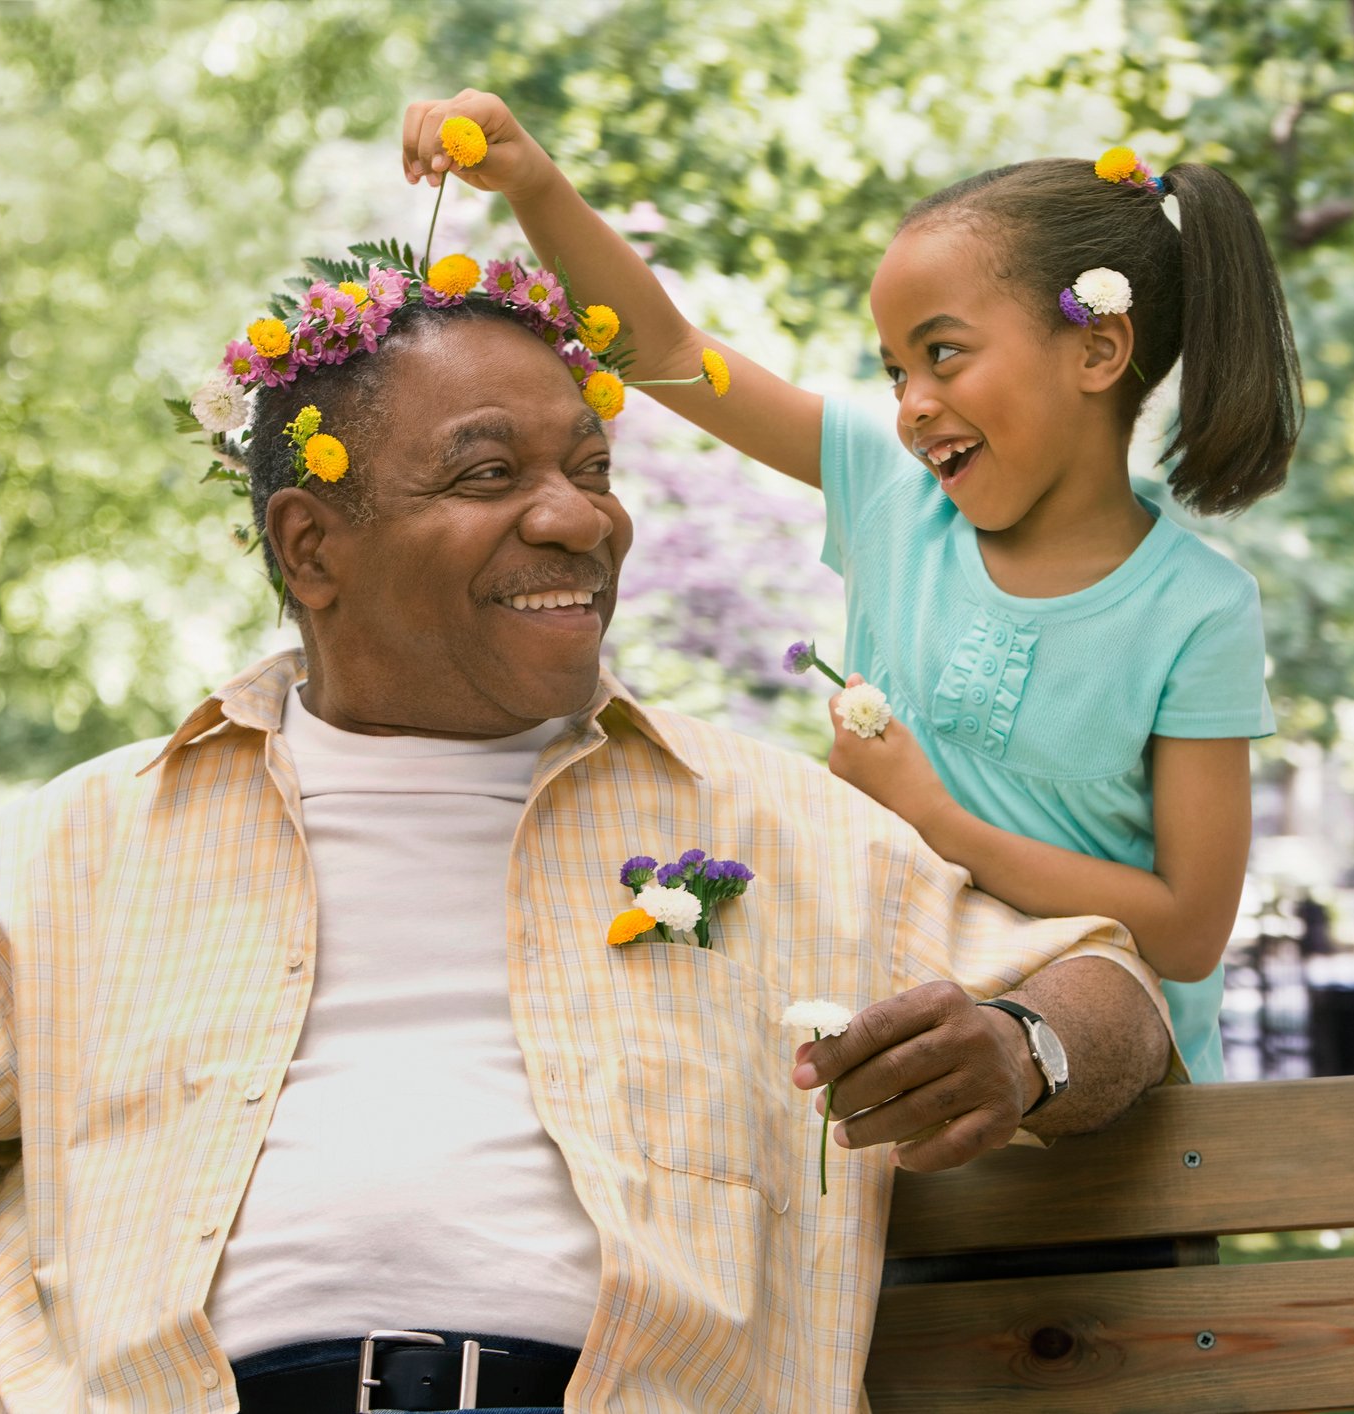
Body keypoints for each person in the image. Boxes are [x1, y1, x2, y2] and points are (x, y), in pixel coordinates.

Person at [0, 277, 1178, 1413]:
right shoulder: (82, 851)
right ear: (313, 547)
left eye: (588, 466)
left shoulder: (774, 823)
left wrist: (1022, 1045)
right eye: (489, 474)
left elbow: (1101, 983)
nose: (579, 519)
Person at [402, 91, 1302, 1083]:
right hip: (890, 1084)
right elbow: (661, 354)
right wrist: (531, 178)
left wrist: (935, 817)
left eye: (944, 354)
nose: (915, 404)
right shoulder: (893, 497)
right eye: (895, 371)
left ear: (1097, 350)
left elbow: (1184, 934)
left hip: (1107, 1120)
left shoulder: (1197, 611)